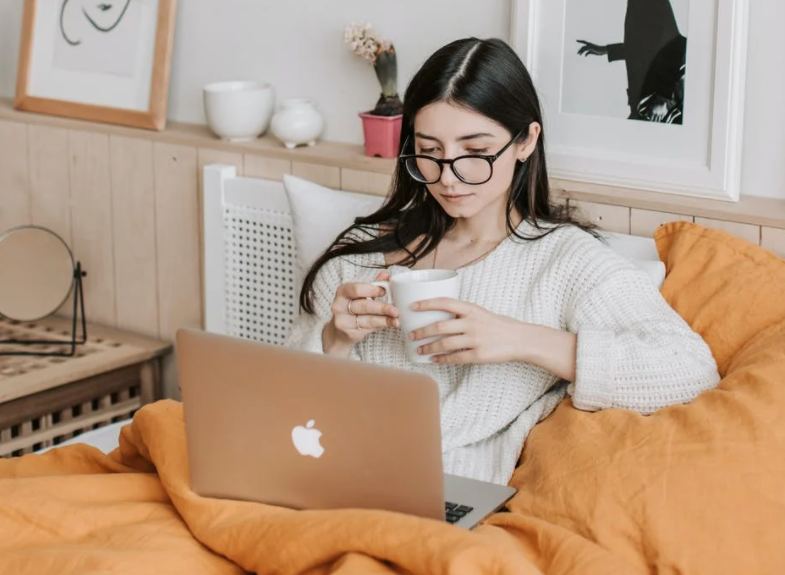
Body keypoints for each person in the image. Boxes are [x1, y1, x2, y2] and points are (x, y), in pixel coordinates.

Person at [285, 37, 719, 485]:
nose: (449, 177)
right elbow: (285, 409)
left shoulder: (564, 262)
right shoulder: (356, 259)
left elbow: (689, 370)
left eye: (475, 153)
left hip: (442, 496)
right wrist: (334, 340)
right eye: (430, 152)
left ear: (526, 142)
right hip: (325, 476)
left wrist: (520, 340)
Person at [576, 0, 686, 123]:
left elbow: (676, 45)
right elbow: (643, 47)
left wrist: (663, 98)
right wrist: (606, 50)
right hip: (645, 103)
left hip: (659, 106)